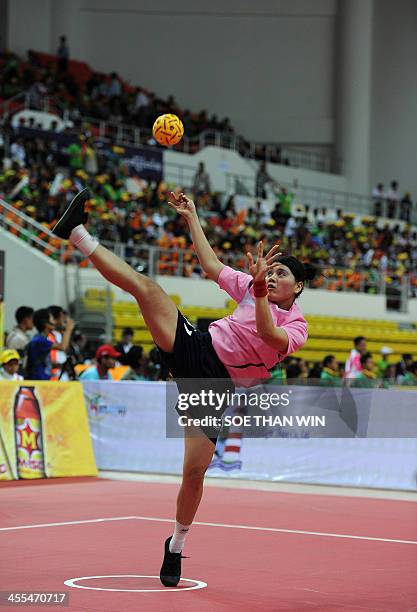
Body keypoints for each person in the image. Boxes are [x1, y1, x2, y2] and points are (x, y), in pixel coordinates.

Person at [51, 187, 316, 587]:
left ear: (296, 288)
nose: (274, 275)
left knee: (194, 473)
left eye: (283, 274)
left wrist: (259, 291)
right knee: (148, 289)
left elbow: (268, 332)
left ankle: (175, 545)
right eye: (272, 270)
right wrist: (192, 215)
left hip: (217, 385)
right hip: (198, 345)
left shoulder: (297, 326)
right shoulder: (250, 285)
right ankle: (76, 232)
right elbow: (211, 265)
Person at [26, 309, 74, 380]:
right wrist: (68, 329)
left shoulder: (41, 338)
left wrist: (58, 365)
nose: (55, 322)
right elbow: (62, 347)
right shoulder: (39, 340)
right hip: (39, 380)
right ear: (45, 323)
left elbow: (43, 360)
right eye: (52, 319)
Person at [48, 305, 71, 381]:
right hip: (53, 378)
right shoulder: (49, 335)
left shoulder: (59, 334)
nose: (65, 320)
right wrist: (68, 330)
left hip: (62, 377)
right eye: (63, 317)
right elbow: (62, 348)